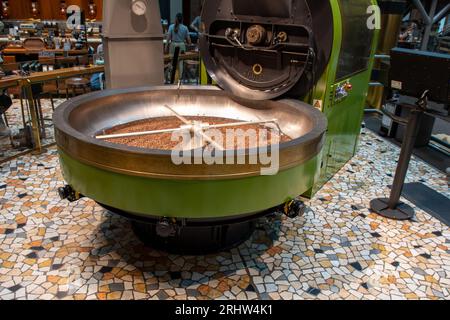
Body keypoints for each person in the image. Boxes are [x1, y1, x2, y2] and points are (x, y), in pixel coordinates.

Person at [166, 13, 192, 81]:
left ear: (175, 19)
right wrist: (186, 42)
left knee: (172, 61)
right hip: (181, 46)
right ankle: (178, 79)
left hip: (173, 45)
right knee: (180, 62)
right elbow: (189, 41)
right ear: (182, 19)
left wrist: (166, 47)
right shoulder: (185, 28)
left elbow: (168, 38)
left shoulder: (171, 27)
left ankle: (171, 78)